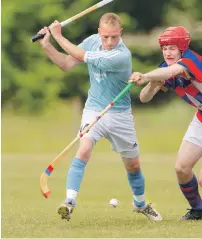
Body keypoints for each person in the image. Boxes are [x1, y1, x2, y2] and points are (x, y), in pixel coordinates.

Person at [37, 13, 162, 222]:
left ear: (120, 33)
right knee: (84, 149)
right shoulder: (92, 42)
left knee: (133, 165)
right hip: (94, 109)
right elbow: (67, 63)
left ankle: (140, 204)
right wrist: (47, 45)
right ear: (99, 33)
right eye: (106, 37)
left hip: (120, 114)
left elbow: (82, 56)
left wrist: (58, 37)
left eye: (114, 37)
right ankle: (69, 202)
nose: (110, 42)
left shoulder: (122, 55)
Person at [129, 26, 202, 220]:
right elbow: (144, 98)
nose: (167, 53)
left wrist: (147, 75)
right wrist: (151, 82)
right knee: (181, 168)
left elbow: (173, 71)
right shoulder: (164, 69)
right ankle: (198, 210)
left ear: (182, 48)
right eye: (164, 49)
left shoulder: (190, 62)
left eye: (172, 48)